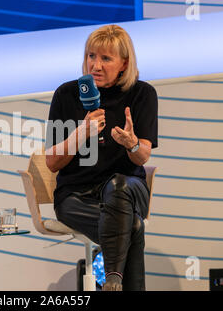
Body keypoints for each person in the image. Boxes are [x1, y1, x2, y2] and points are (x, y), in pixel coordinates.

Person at [45, 25, 158, 291]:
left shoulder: (142, 94)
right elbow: (52, 163)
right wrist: (80, 134)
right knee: (132, 225)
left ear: (124, 63)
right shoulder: (66, 94)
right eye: (91, 56)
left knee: (118, 186)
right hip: (76, 196)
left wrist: (131, 145)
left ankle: (111, 281)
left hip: (129, 191)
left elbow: (142, 157)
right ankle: (115, 281)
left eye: (106, 58)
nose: (95, 65)